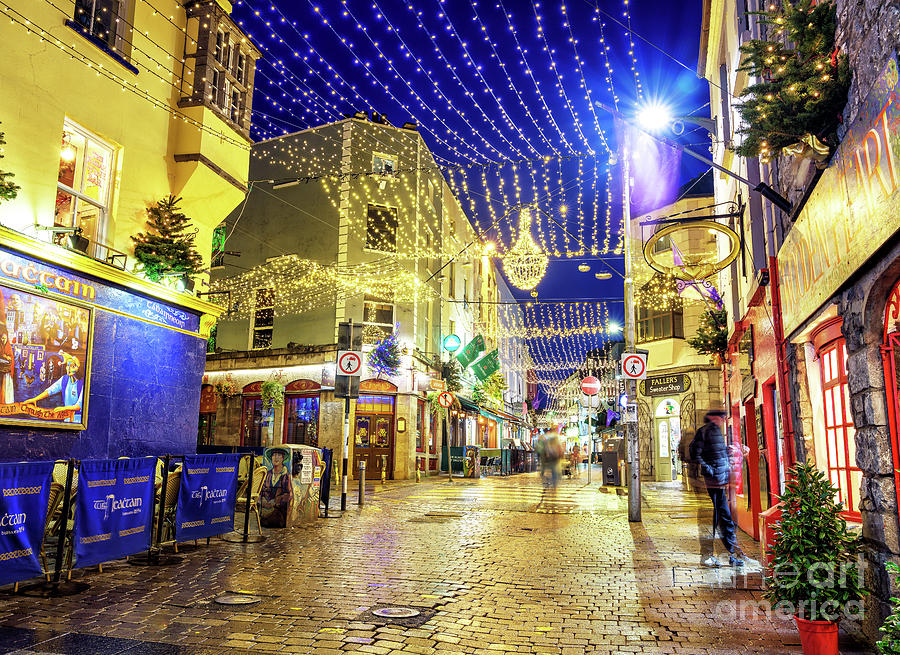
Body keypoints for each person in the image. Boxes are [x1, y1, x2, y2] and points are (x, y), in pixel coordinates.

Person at [690, 409, 745, 567]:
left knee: (722, 518)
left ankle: (729, 554)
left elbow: (714, 454)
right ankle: (715, 555)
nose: (723, 419)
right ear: (713, 418)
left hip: (719, 481)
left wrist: (726, 453)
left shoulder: (716, 432)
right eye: (721, 417)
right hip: (712, 481)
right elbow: (697, 454)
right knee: (717, 519)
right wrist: (709, 469)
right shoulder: (706, 432)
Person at [22, 351, 83, 423]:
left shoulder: (82, 383)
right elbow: (50, 390)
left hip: (78, 420)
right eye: (67, 366)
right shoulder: (65, 379)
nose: (68, 368)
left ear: (78, 368)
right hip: (67, 418)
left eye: (72, 366)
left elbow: (79, 406)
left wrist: (63, 409)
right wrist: (35, 399)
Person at [260, 448, 292, 527]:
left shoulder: (286, 475)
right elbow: (260, 490)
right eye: (274, 455)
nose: (276, 458)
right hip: (265, 511)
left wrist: (275, 502)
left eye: (279, 455)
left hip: (279, 513)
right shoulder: (267, 474)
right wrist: (262, 500)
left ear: (282, 458)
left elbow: (288, 494)